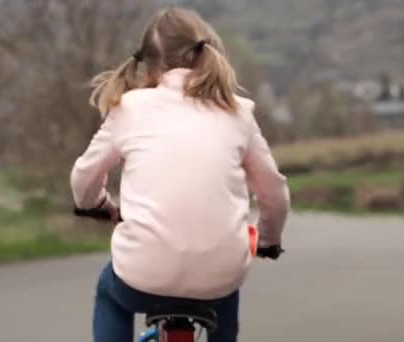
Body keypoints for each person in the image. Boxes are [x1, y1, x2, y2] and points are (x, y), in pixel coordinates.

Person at [70, 7, 290, 342]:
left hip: (140, 277)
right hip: (218, 279)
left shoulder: (128, 108)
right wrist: (269, 240)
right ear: (205, 52)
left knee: (108, 291)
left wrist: (96, 203)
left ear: (148, 63)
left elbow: (83, 178)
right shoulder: (236, 112)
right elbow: (273, 194)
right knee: (225, 296)